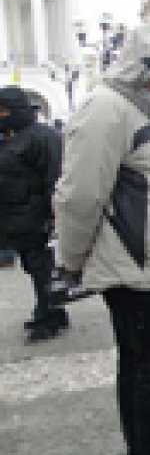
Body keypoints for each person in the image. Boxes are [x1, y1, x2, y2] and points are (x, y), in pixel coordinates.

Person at [53, 24, 150, 455]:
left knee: (149, 364)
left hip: (143, 263)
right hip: (132, 267)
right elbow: (80, 195)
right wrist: (70, 262)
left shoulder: (129, 111)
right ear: (145, 69)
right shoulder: (106, 110)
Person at [0, 86, 65, 342]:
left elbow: (56, 175)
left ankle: (48, 316)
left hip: (37, 216)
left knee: (42, 267)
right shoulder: (11, 138)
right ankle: (51, 310)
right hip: (17, 218)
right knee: (33, 266)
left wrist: (55, 214)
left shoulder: (43, 137)